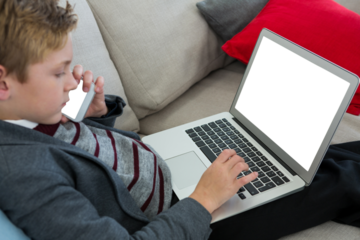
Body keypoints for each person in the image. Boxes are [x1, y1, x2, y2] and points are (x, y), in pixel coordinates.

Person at [0, 1, 359, 240]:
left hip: (166, 170)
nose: (71, 80)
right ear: (4, 83)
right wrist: (204, 200)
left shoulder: (31, 114)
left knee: (316, 157)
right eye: (59, 73)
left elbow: (77, 148)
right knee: (343, 181)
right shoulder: (25, 175)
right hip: (181, 218)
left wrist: (92, 113)